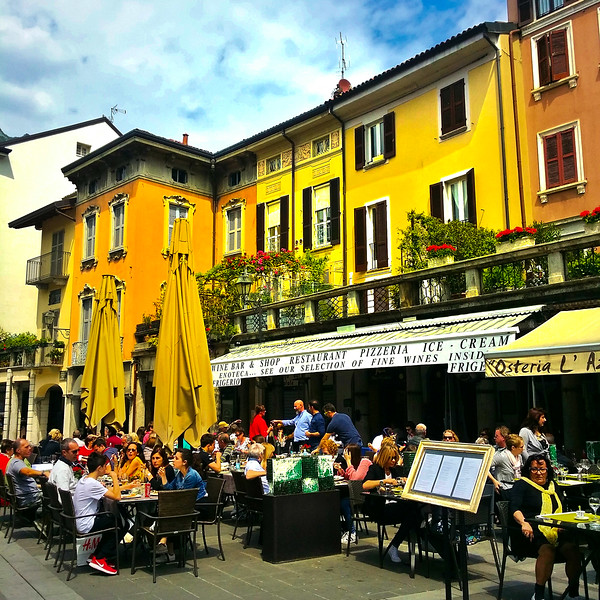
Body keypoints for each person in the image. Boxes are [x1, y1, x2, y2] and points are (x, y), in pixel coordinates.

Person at [510, 454, 582, 600]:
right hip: (531, 530)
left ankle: (573, 591)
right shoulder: (522, 484)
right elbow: (514, 508)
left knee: (573, 549)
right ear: (528, 470)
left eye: (542, 469)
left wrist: (562, 524)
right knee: (548, 550)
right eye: (534, 469)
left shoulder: (553, 485)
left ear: (548, 470)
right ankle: (539, 593)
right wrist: (524, 523)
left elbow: (561, 508)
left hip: (555, 528)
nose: (539, 473)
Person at [362, 444, 420, 564]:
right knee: (413, 515)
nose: (394, 461)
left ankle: (395, 545)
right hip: (379, 508)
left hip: (395, 504)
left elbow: (402, 481)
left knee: (413, 513)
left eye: (395, 458)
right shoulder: (375, 469)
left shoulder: (395, 470)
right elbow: (365, 484)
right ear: (384, 457)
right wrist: (383, 482)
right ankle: (395, 545)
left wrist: (404, 481)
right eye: (391, 458)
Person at [73, 452, 128, 575]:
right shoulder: (92, 484)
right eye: (105, 466)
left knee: (113, 520)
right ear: (99, 468)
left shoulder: (85, 480)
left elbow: (109, 491)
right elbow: (117, 497)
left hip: (81, 520)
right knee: (119, 524)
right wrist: (114, 476)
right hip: (87, 523)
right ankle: (101, 557)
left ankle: (97, 554)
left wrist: (127, 486)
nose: (107, 468)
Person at [6, 439, 50, 522]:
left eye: (30, 446)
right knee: (55, 499)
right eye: (26, 447)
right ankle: (45, 525)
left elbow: (23, 482)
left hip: (27, 495)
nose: (30, 448)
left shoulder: (17, 461)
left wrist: (38, 486)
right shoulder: (16, 463)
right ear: (18, 450)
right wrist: (43, 473)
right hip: (29, 499)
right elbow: (27, 472)